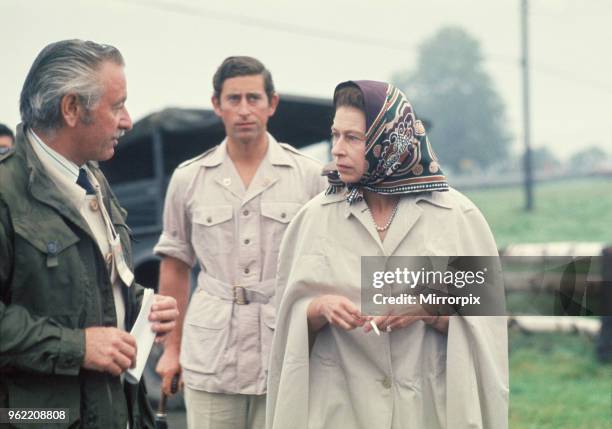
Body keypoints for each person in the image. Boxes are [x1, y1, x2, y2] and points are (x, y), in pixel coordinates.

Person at [266, 80, 509, 429]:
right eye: (335, 135)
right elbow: (286, 323)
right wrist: (318, 309)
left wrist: (430, 308)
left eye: (353, 138)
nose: (337, 149)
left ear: (389, 140)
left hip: (428, 407)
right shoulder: (313, 219)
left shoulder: (457, 216)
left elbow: (487, 325)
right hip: (340, 408)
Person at [0, 39, 179, 428]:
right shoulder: (4, 192)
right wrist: (77, 347)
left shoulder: (92, 179)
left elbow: (91, 282)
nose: (128, 120)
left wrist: (141, 305)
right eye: (117, 106)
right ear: (71, 108)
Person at [154, 56, 327, 429]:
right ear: (217, 105)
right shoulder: (189, 179)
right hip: (213, 350)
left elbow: (326, 261)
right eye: (233, 99)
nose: (244, 110)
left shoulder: (309, 177)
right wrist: (172, 349)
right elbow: (175, 265)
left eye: (254, 98)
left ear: (272, 104)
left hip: (284, 344)